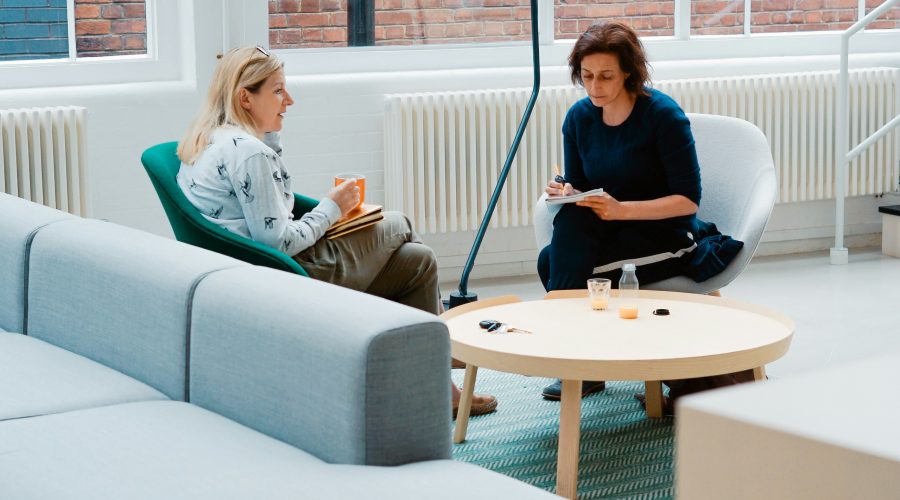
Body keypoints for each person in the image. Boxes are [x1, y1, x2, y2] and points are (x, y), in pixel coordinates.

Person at [176, 46, 496, 418]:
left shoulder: (216, 139)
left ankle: (437, 385)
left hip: (255, 272)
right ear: (245, 97)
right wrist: (332, 208)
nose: (289, 100)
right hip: (290, 274)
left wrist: (275, 143)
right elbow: (276, 241)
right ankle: (444, 346)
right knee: (400, 222)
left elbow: (268, 214)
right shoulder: (250, 155)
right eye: (278, 90)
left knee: (418, 261)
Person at [537, 22, 702, 403]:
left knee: (554, 264)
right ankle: (583, 361)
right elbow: (579, 184)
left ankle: (576, 360)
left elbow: (688, 200)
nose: (595, 86)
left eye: (606, 76)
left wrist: (620, 209)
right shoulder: (579, 118)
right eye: (587, 76)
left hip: (666, 234)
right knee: (557, 250)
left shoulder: (663, 116)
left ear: (629, 71)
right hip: (611, 230)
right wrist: (565, 190)